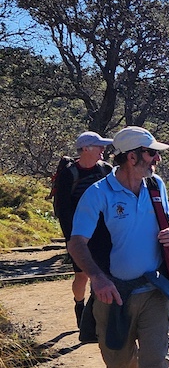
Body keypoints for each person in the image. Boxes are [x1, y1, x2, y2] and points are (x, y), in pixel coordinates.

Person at [68, 126, 169, 368]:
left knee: (156, 365)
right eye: (151, 154)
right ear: (132, 157)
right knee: (119, 362)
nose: (157, 160)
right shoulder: (98, 194)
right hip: (112, 294)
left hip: (154, 291)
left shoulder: (155, 185)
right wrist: (99, 279)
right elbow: (77, 243)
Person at [52, 131, 114, 329]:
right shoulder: (69, 174)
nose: (103, 150)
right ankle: (79, 305)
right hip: (79, 234)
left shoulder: (106, 170)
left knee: (104, 272)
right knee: (82, 275)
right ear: (86, 149)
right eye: (99, 146)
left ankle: (98, 316)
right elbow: (64, 209)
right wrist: (72, 240)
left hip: (103, 233)